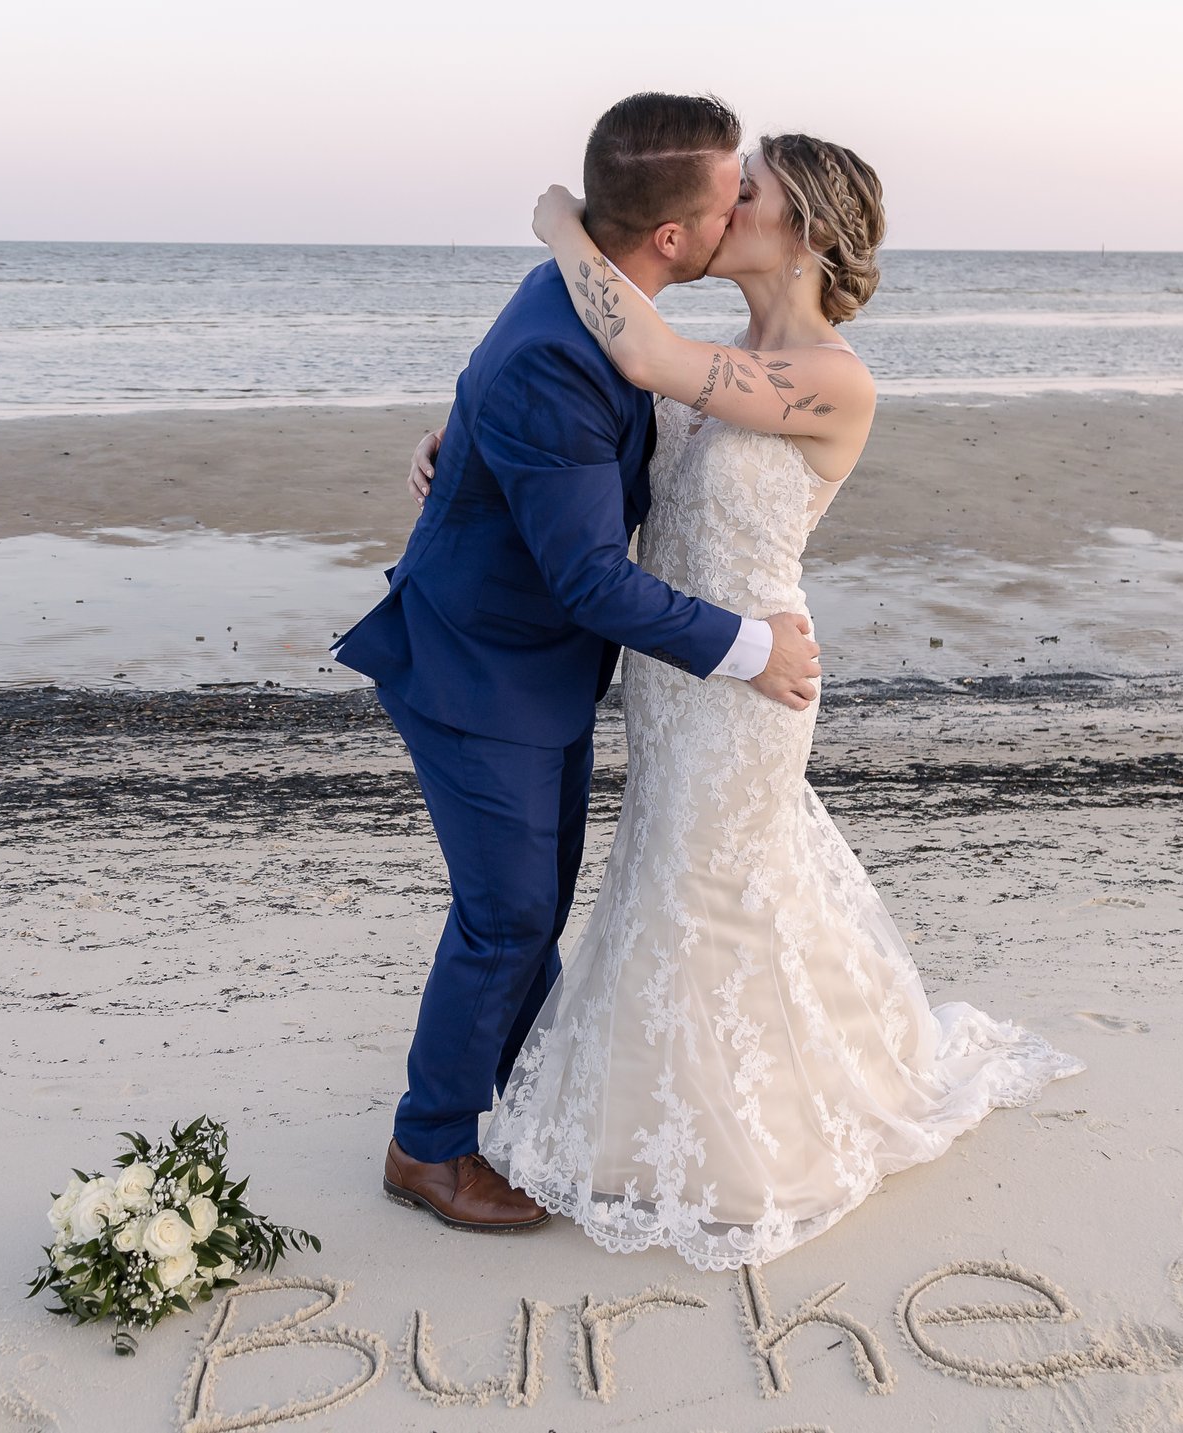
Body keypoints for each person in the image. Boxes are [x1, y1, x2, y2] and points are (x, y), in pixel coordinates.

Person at [458, 133, 1085, 1269]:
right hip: (670, 672)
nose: (719, 203)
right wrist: (456, 446)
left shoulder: (832, 377)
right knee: (670, 873)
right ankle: (671, 1092)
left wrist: (563, 223)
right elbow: (593, 434)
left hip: (751, 679)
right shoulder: (723, 350)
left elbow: (639, 356)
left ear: (802, 231)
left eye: (745, 191)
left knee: (709, 887)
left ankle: (737, 1138)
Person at [330, 92, 823, 1233]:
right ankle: (429, 1145)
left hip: (534, 666)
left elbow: (546, 416)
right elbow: (591, 578)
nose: (734, 213)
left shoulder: (585, 294)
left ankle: (526, 1097)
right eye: (725, 201)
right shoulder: (567, 344)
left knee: (531, 905)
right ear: (672, 238)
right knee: (505, 918)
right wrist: (750, 649)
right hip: (478, 668)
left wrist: (461, 455)